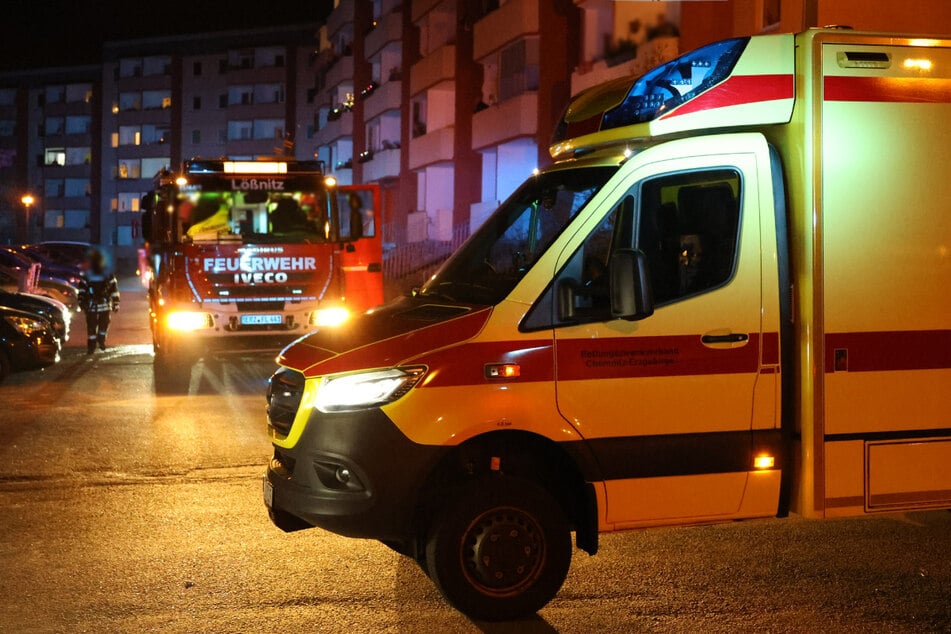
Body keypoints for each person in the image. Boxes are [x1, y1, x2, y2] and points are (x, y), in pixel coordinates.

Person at [79, 249, 120, 354]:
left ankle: (100, 342)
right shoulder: (89, 274)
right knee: (92, 327)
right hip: (93, 305)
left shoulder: (107, 274)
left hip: (102, 305)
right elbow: (83, 288)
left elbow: (113, 289)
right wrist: (81, 300)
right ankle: (92, 346)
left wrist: (116, 303)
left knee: (102, 325)